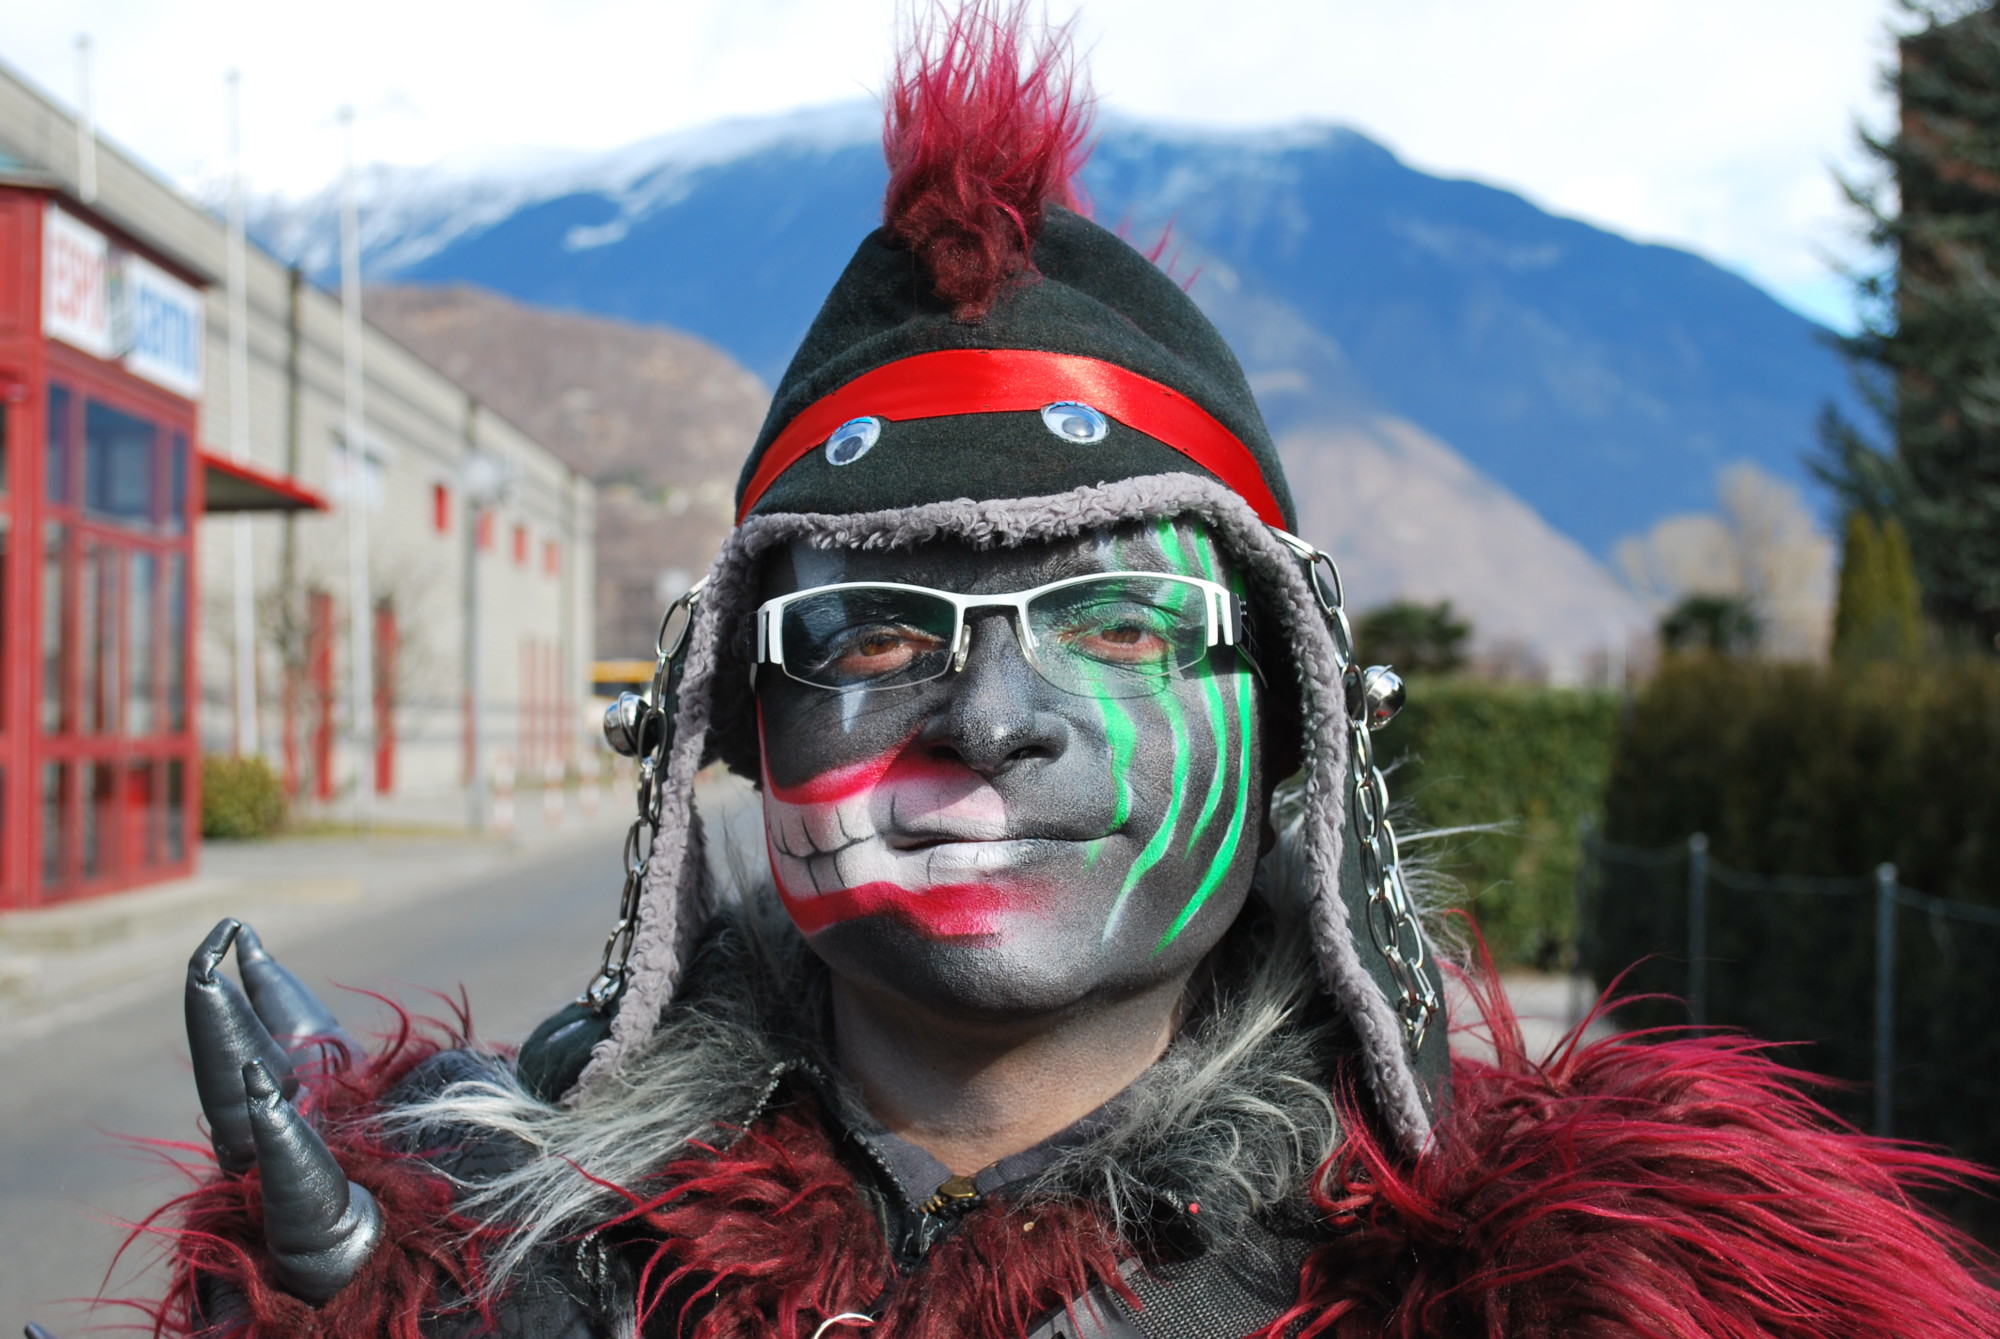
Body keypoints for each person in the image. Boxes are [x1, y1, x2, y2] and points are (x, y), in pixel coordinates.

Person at [76, 7, 2000, 1337]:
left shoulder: (1564, 1295)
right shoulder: (538, 1281)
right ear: (730, 730)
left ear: (1297, 714)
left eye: (1126, 622)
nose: (994, 720)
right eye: (869, 631)